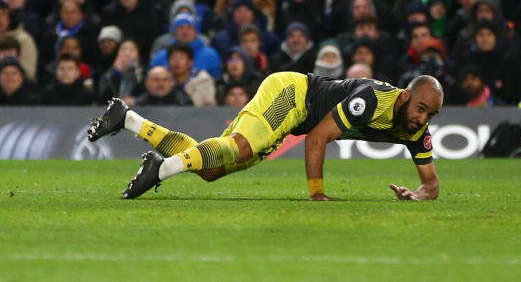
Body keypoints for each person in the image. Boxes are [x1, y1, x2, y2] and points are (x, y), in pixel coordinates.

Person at [88, 72, 443, 201]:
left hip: (295, 119)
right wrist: (318, 194)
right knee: (239, 147)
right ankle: (162, 170)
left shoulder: (416, 128)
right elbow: (318, 138)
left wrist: (419, 195)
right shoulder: (371, 100)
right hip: (292, 94)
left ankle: (129, 120)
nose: (422, 119)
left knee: (212, 170)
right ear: (407, 96)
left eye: (431, 115)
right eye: (421, 108)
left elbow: (431, 182)